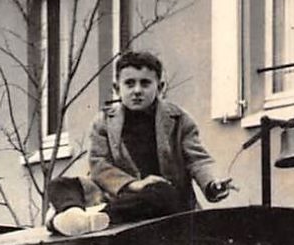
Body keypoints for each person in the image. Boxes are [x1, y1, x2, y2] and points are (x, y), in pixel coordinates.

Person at [87, 50, 234, 221]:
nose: (137, 90)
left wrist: (212, 183)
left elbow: (197, 159)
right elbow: (99, 164)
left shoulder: (178, 119)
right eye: (129, 83)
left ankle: (97, 216)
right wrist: (134, 185)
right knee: (62, 185)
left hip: (168, 205)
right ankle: (80, 216)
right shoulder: (104, 122)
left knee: (160, 190)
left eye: (145, 83)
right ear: (117, 88)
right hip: (126, 200)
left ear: (160, 87)